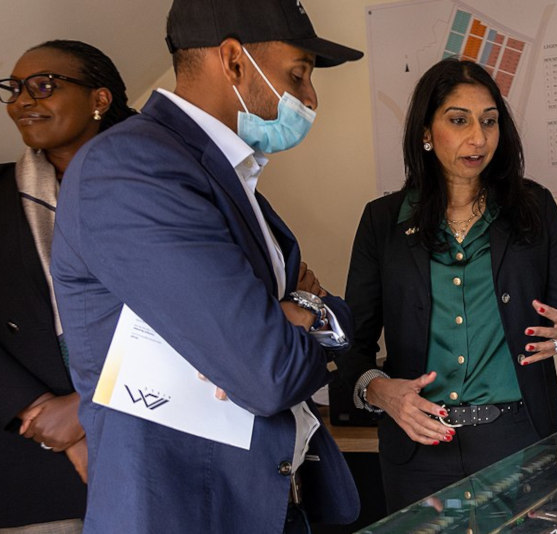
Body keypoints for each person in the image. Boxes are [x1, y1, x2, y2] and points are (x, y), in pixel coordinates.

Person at [50, 1, 363, 532]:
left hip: (269, 504)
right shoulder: (130, 169)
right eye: (299, 74)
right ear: (235, 62)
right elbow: (269, 373)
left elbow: (324, 327)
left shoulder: (228, 179)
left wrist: (301, 310)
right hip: (188, 512)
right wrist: (296, 318)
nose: (309, 99)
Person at [341, 58, 557, 512]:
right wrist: (381, 392)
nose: (478, 138)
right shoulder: (382, 222)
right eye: (458, 120)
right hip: (417, 442)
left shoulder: (534, 207)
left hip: (518, 438)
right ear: (425, 132)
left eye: (489, 121)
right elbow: (351, 348)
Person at [0, 39, 136, 533]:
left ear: (99, 99)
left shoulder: (158, 185)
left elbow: (188, 314)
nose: (21, 101)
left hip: (152, 438)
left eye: (43, 85)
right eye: (14, 90)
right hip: (35, 465)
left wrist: (89, 407)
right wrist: (46, 418)